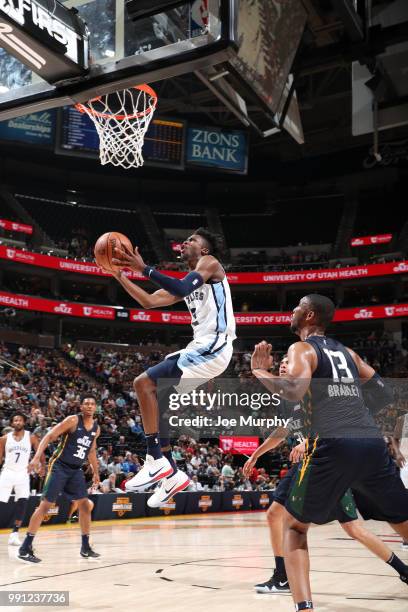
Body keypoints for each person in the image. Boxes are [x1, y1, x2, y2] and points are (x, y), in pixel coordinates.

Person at [250, 294, 408, 610]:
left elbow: (292, 389)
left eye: (296, 307)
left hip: (333, 446)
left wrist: (259, 371)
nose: (291, 312)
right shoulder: (348, 353)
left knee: (294, 528)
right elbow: (382, 392)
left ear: (309, 315)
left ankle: (302, 605)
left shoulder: (302, 349)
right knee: (402, 520)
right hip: (370, 442)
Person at [110, 228, 236, 507]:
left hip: (214, 346)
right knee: (160, 398)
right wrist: (120, 276)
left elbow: (181, 288)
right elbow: (149, 301)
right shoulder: (188, 281)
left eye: (192, 240)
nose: (185, 243)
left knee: (143, 383)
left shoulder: (210, 263)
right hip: (202, 348)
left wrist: (144, 268)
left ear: (204, 250)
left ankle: (154, 458)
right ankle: (172, 475)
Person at [18, 395, 101, 563]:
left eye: (92, 404)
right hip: (60, 466)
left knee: (84, 505)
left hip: (76, 470)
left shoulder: (96, 429)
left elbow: (91, 451)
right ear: (81, 406)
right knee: (46, 505)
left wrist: (96, 472)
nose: (89, 406)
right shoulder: (72, 420)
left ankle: (85, 547)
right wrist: (36, 458)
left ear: (96, 407)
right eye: (86, 403)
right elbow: (49, 436)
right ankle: (25, 547)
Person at [0, 412, 44, 546]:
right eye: (15, 420)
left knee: (23, 501)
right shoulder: (4, 439)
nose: (17, 422)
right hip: (7, 472)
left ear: (24, 422)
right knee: (1, 501)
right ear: (12, 423)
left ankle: (14, 534)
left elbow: (40, 452)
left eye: (20, 420)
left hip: (23, 473)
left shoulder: (31, 437)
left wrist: (43, 466)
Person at [393, 412, 408, 549]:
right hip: (407, 463)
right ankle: (406, 538)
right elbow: (395, 438)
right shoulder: (403, 419)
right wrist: (397, 453)